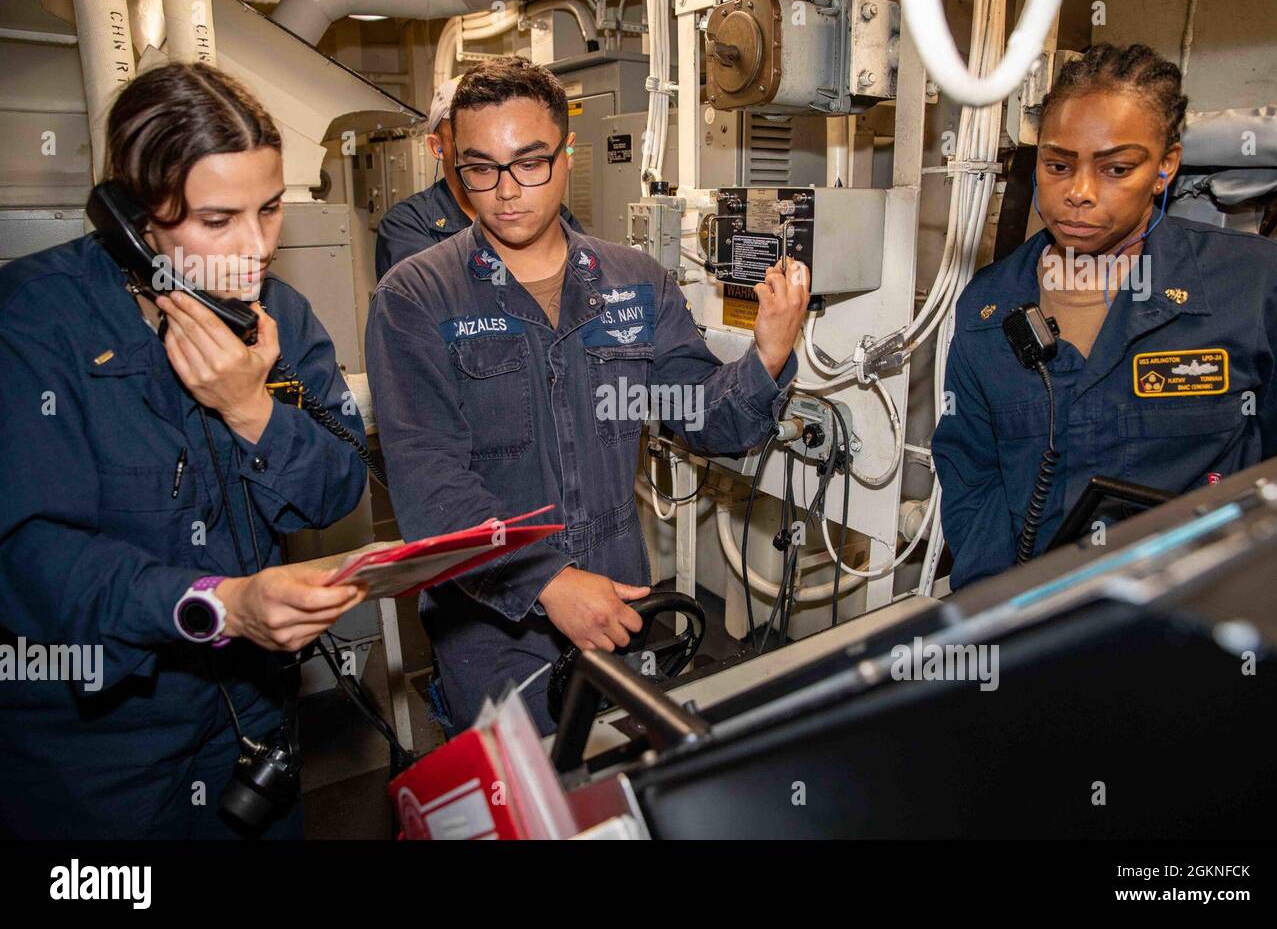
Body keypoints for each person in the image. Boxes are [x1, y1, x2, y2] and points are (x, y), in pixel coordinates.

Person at [366, 56, 808, 735]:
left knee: (610, 790)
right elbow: (431, 488)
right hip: (492, 628)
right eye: (480, 168)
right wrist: (543, 579)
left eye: (530, 162)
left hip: (614, 594)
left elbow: (700, 417)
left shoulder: (635, 281)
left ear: (568, 154)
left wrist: (769, 353)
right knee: (517, 806)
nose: (506, 191)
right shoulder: (417, 296)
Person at [0, 62, 370, 838]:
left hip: (252, 717)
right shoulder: (33, 325)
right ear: (133, 219)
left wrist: (250, 409)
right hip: (96, 744)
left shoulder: (281, 316)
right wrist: (217, 605)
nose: (254, 248)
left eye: (269, 210)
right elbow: (32, 562)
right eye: (216, 219)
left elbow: (337, 487)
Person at [933, 43, 1277, 589]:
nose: (1078, 193)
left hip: (1202, 612)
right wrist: (995, 607)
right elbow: (973, 472)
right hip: (1047, 619)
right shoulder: (989, 307)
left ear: (1164, 167)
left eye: (1117, 169)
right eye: (1057, 165)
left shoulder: (1256, 286)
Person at [373, 75, 584, 278]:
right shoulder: (408, 225)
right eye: (464, 141)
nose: (507, 191)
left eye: (528, 164)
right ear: (437, 147)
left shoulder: (548, 214)